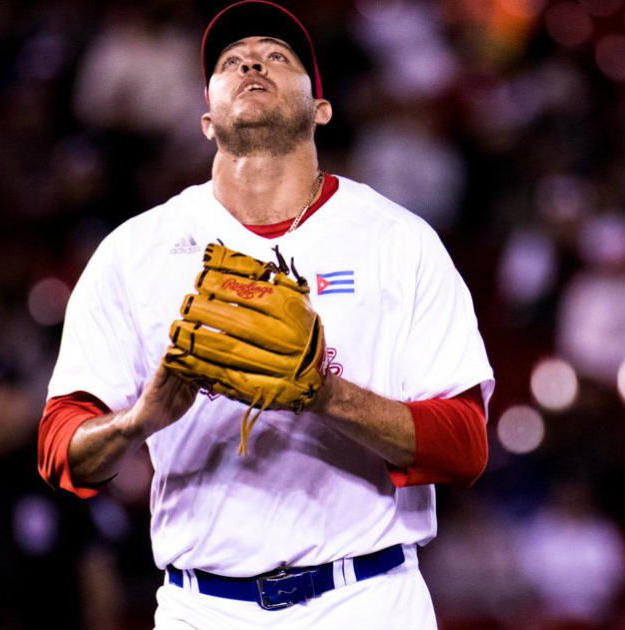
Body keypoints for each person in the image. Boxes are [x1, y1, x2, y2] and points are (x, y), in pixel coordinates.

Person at [36, 2, 494, 628]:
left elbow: (466, 445)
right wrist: (138, 421)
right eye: (232, 62)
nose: (252, 62)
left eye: (278, 57)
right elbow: (60, 448)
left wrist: (326, 394)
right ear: (205, 120)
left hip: (364, 596)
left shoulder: (398, 241)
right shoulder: (134, 253)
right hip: (203, 607)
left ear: (320, 108)